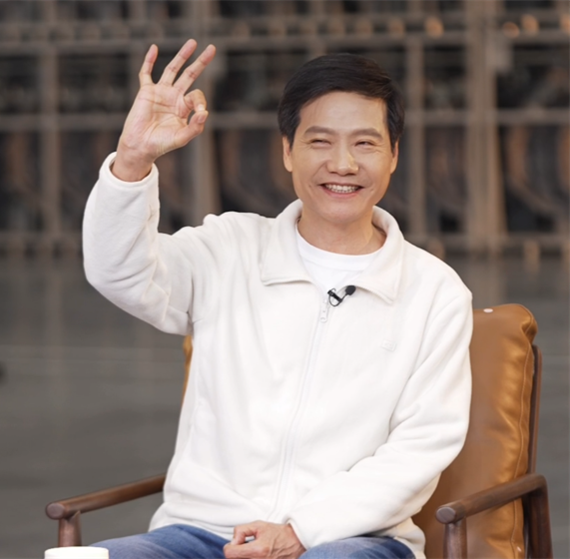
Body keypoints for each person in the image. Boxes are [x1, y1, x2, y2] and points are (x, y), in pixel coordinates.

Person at [83, 39, 473, 559]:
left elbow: (420, 448)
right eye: (320, 142)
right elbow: (118, 272)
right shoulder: (228, 250)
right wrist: (133, 159)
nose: (342, 164)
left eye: (365, 143)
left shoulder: (434, 292)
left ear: (393, 155)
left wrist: (301, 531)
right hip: (205, 534)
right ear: (287, 151)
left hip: (351, 540)